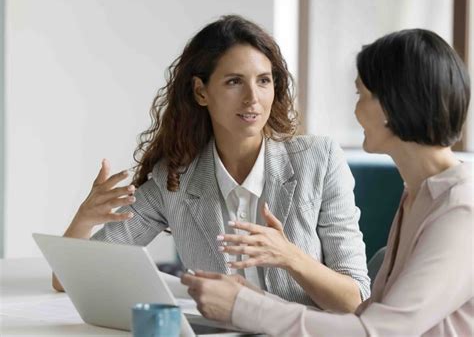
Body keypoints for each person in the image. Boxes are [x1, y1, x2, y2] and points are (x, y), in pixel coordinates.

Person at [53, 15, 370, 312]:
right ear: (201, 91)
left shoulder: (319, 159)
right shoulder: (175, 179)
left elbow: (356, 300)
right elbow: (67, 280)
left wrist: (291, 258)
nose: (252, 98)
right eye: (234, 82)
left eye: (263, 81)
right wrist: (84, 219)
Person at [181, 28, 473, 336]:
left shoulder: (460, 209)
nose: (356, 109)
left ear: (392, 104)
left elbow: (378, 331)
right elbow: (368, 317)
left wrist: (244, 307)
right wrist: (253, 298)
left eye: (362, 94)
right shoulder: (419, 195)